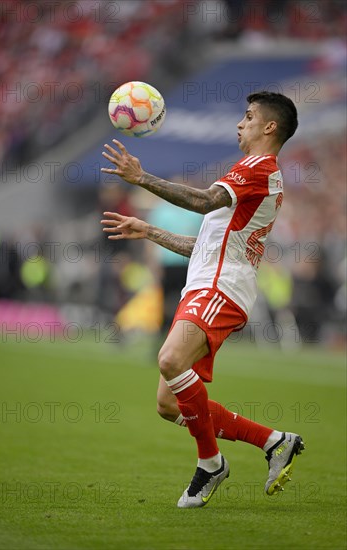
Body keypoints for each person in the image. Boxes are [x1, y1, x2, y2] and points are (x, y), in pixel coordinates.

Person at [100, 91, 305, 508]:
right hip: (206, 282)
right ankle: (273, 441)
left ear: (269, 127)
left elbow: (203, 200)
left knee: (170, 360)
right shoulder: (252, 172)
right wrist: (150, 231)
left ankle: (210, 464)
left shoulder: (258, 167)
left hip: (221, 288)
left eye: (248, 117)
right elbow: (206, 247)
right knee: (167, 403)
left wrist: (142, 178)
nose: (239, 123)